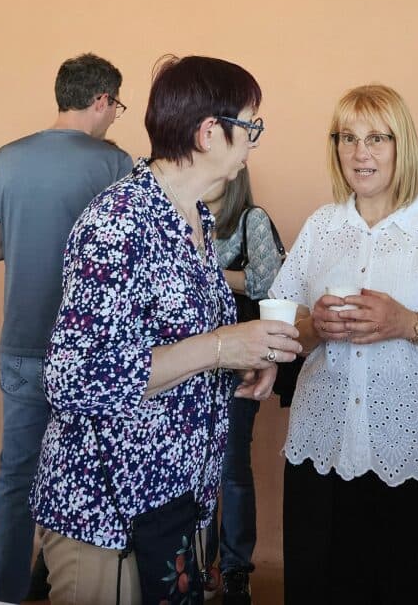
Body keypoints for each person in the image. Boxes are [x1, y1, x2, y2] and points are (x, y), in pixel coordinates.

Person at [30, 55, 301, 605]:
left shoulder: (195, 218)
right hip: (108, 514)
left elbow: (183, 348)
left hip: (176, 500)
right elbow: (77, 380)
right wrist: (222, 345)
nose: (253, 140)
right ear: (208, 133)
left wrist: (238, 362)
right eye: (250, 126)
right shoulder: (119, 222)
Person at [268, 84, 418, 605]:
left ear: (401, 144)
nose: (360, 153)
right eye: (347, 138)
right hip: (326, 453)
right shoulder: (322, 227)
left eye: (376, 138)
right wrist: (315, 326)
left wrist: (407, 322)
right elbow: (283, 327)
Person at [0, 53, 133, 603]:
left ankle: (5, 592)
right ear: (101, 100)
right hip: (92, 351)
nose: (115, 116)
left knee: (16, 480)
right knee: (92, 477)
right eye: (116, 105)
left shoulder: (7, 157)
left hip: (21, 344)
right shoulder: (116, 165)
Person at [200, 167, 285, 604]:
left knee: (230, 469)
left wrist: (204, 272)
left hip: (240, 366)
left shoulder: (251, 220)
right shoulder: (178, 217)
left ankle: (235, 570)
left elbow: (270, 283)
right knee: (191, 470)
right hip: (188, 363)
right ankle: (198, 568)